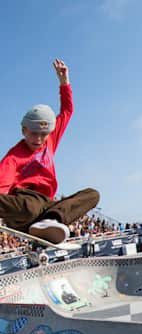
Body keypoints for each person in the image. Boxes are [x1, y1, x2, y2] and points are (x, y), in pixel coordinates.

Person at [0, 60, 99, 245]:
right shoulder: (13, 158)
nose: (38, 139)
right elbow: (2, 189)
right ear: (23, 131)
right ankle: (42, 221)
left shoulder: (50, 140)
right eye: (33, 134)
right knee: (31, 206)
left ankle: (51, 221)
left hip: (47, 207)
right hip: (25, 207)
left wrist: (64, 82)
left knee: (93, 194)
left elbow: (67, 111)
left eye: (43, 135)